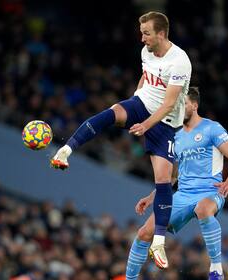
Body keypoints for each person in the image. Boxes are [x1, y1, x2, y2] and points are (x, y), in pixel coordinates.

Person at [50, 11, 192, 267]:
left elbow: (170, 104)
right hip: (143, 103)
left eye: (147, 33)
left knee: (164, 179)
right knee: (109, 114)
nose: (142, 38)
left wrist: (145, 125)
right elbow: (145, 76)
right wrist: (135, 99)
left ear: (161, 33)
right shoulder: (146, 52)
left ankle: (158, 243)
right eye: (141, 32)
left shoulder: (180, 61)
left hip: (165, 123)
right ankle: (65, 151)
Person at [125, 87, 228, 280]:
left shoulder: (212, 128)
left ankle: (216, 269)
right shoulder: (176, 136)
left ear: (195, 106)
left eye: (184, 104)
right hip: (182, 194)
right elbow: (172, 176)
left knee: (203, 209)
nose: (179, 108)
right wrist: (152, 196)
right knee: (145, 233)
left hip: (210, 191)